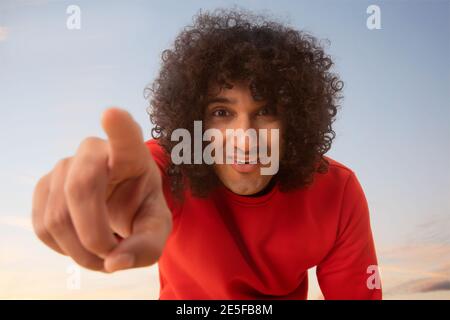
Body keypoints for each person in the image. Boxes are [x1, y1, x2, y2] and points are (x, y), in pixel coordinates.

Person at [32, 9, 382, 299]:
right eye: (221, 113)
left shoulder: (338, 192)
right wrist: (105, 196)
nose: (244, 139)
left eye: (265, 111)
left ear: (295, 121)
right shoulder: (168, 166)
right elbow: (137, 180)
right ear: (194, 121)